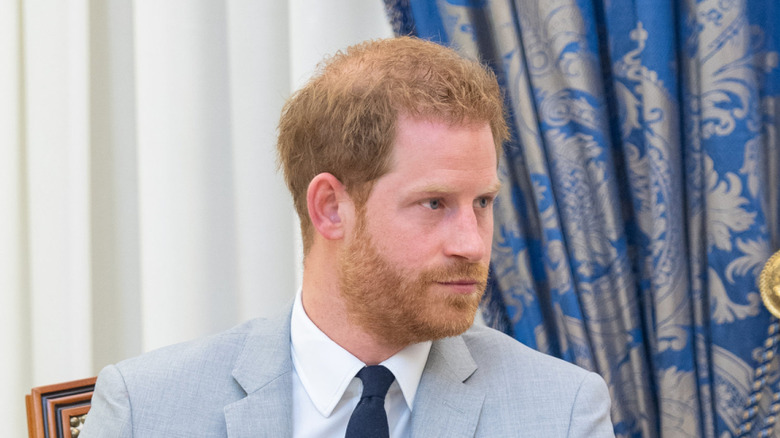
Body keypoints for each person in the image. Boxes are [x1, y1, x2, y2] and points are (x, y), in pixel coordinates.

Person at [82, 37, 614, 437]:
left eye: (482, 203)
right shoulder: (146, 410)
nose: (472, 245)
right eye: (434, 204)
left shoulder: (561, 411)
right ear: (331, 208)